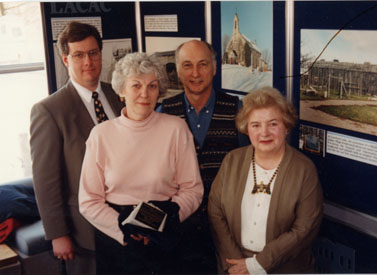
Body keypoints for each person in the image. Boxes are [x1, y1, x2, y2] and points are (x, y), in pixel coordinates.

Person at [78, 52, 203, 275]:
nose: (144, 94)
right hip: (118, 242)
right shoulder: (100, 135)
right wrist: (124, 229)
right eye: (136, 86)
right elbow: (88, 201)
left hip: (167, 235)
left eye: (152, 86)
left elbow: (192, 189)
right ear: (122, 91)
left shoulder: (176, 129)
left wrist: (165, 223)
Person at [30, 21, 125, 275]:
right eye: (79, 55)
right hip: (83, 231)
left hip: (126, 222)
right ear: (65, 59)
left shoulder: (119, 94)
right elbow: (46, 180)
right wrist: (57, 234)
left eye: (93, 53)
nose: (88, 62)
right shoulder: (49, 110)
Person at [208, 87, 323, 274]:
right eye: (255, 125)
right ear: (246, 128)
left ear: (286, 126)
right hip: (234, 266)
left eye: (273, 124)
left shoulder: (304, 169)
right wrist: (235, 264)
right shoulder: (232, 161)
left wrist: (256, 265)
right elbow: (215, 210)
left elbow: (305, 228)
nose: (264, 133)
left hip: (284, 267)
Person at [157, 39, 249, 274]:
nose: (195, 73)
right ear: (177, 71)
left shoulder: (236, 110)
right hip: (178, 229)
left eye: (203, 64)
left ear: (215, 67)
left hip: (226, 230)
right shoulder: (163, 113)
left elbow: (248, 169)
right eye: (187, 65)